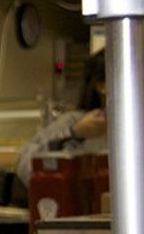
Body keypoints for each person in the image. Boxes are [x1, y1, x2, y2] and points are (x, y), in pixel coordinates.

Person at [15, 49, 107, 187]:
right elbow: (25, 165)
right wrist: (73, 134)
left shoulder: (141, 129)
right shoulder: (76, 122)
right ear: (101, 86)